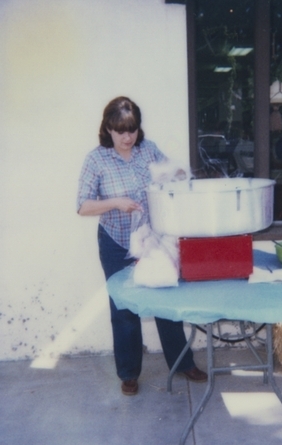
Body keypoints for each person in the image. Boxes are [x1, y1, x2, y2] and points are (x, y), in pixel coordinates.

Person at [77, 96, 207, 396]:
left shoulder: (147, 150)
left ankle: (182, 363)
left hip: (151, 238)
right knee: (123, 307)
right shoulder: (96, 159)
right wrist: (116, 203)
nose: (128, 137)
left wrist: (176, 174)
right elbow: (82, 206)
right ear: (108, 128)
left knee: (164, 300)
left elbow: (170, 176)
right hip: (114, 241)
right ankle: (129, 373)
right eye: (121, 130)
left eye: (133, 129)